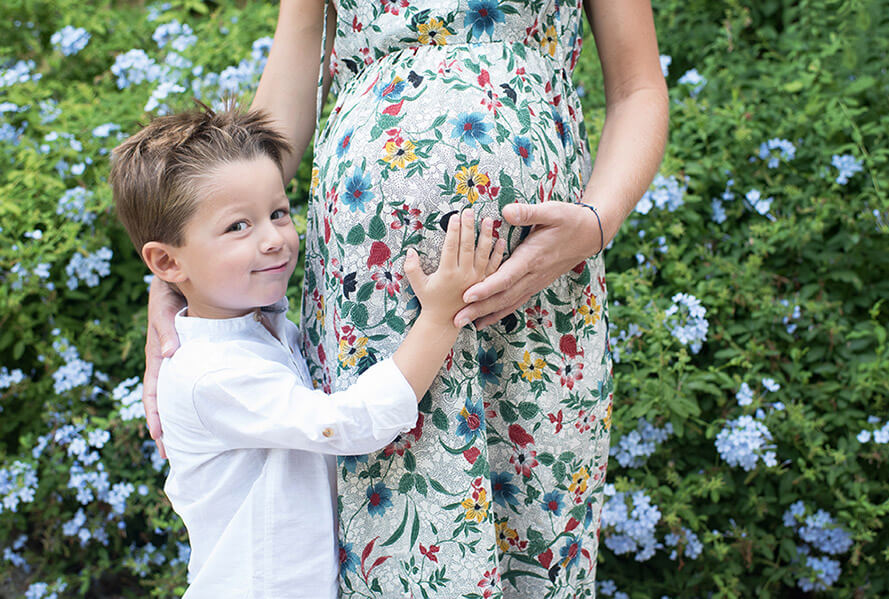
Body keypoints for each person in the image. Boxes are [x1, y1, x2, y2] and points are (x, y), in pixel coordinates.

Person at [142, 1, 668, 596]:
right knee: (398, 533)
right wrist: (184, 277)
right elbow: (279, 113)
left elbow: (638, 88)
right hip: (370, 292)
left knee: (538, 530)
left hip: (539, 289)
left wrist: (596, 223)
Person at [110, 104, 503, 597]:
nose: (275, 239)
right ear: (167, 261)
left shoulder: (265, 328)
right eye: (239, 226)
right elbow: (348, 424)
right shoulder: (210, 373)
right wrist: (440, 319)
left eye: (278, 213)